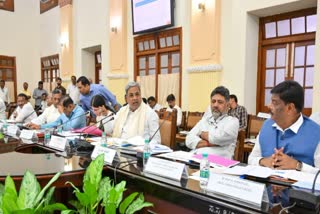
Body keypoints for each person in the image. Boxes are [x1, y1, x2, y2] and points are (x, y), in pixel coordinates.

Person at [248, 80, 320, 173]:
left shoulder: (316, 133)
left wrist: (298, 165)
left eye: (274, 103)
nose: (269, 106)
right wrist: (264, 161)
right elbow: (251, 159)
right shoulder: (267, 125)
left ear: (290, 108)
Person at [185, 86, 239, 159]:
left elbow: (220, 138)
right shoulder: (205, 120)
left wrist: (202, 134)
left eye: (220, 102)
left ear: (227, 105)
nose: (215, 105)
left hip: (219, 164)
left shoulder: (233, 121)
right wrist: (211, 143)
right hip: (196, 159)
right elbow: (188, 140)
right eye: (213, 101)